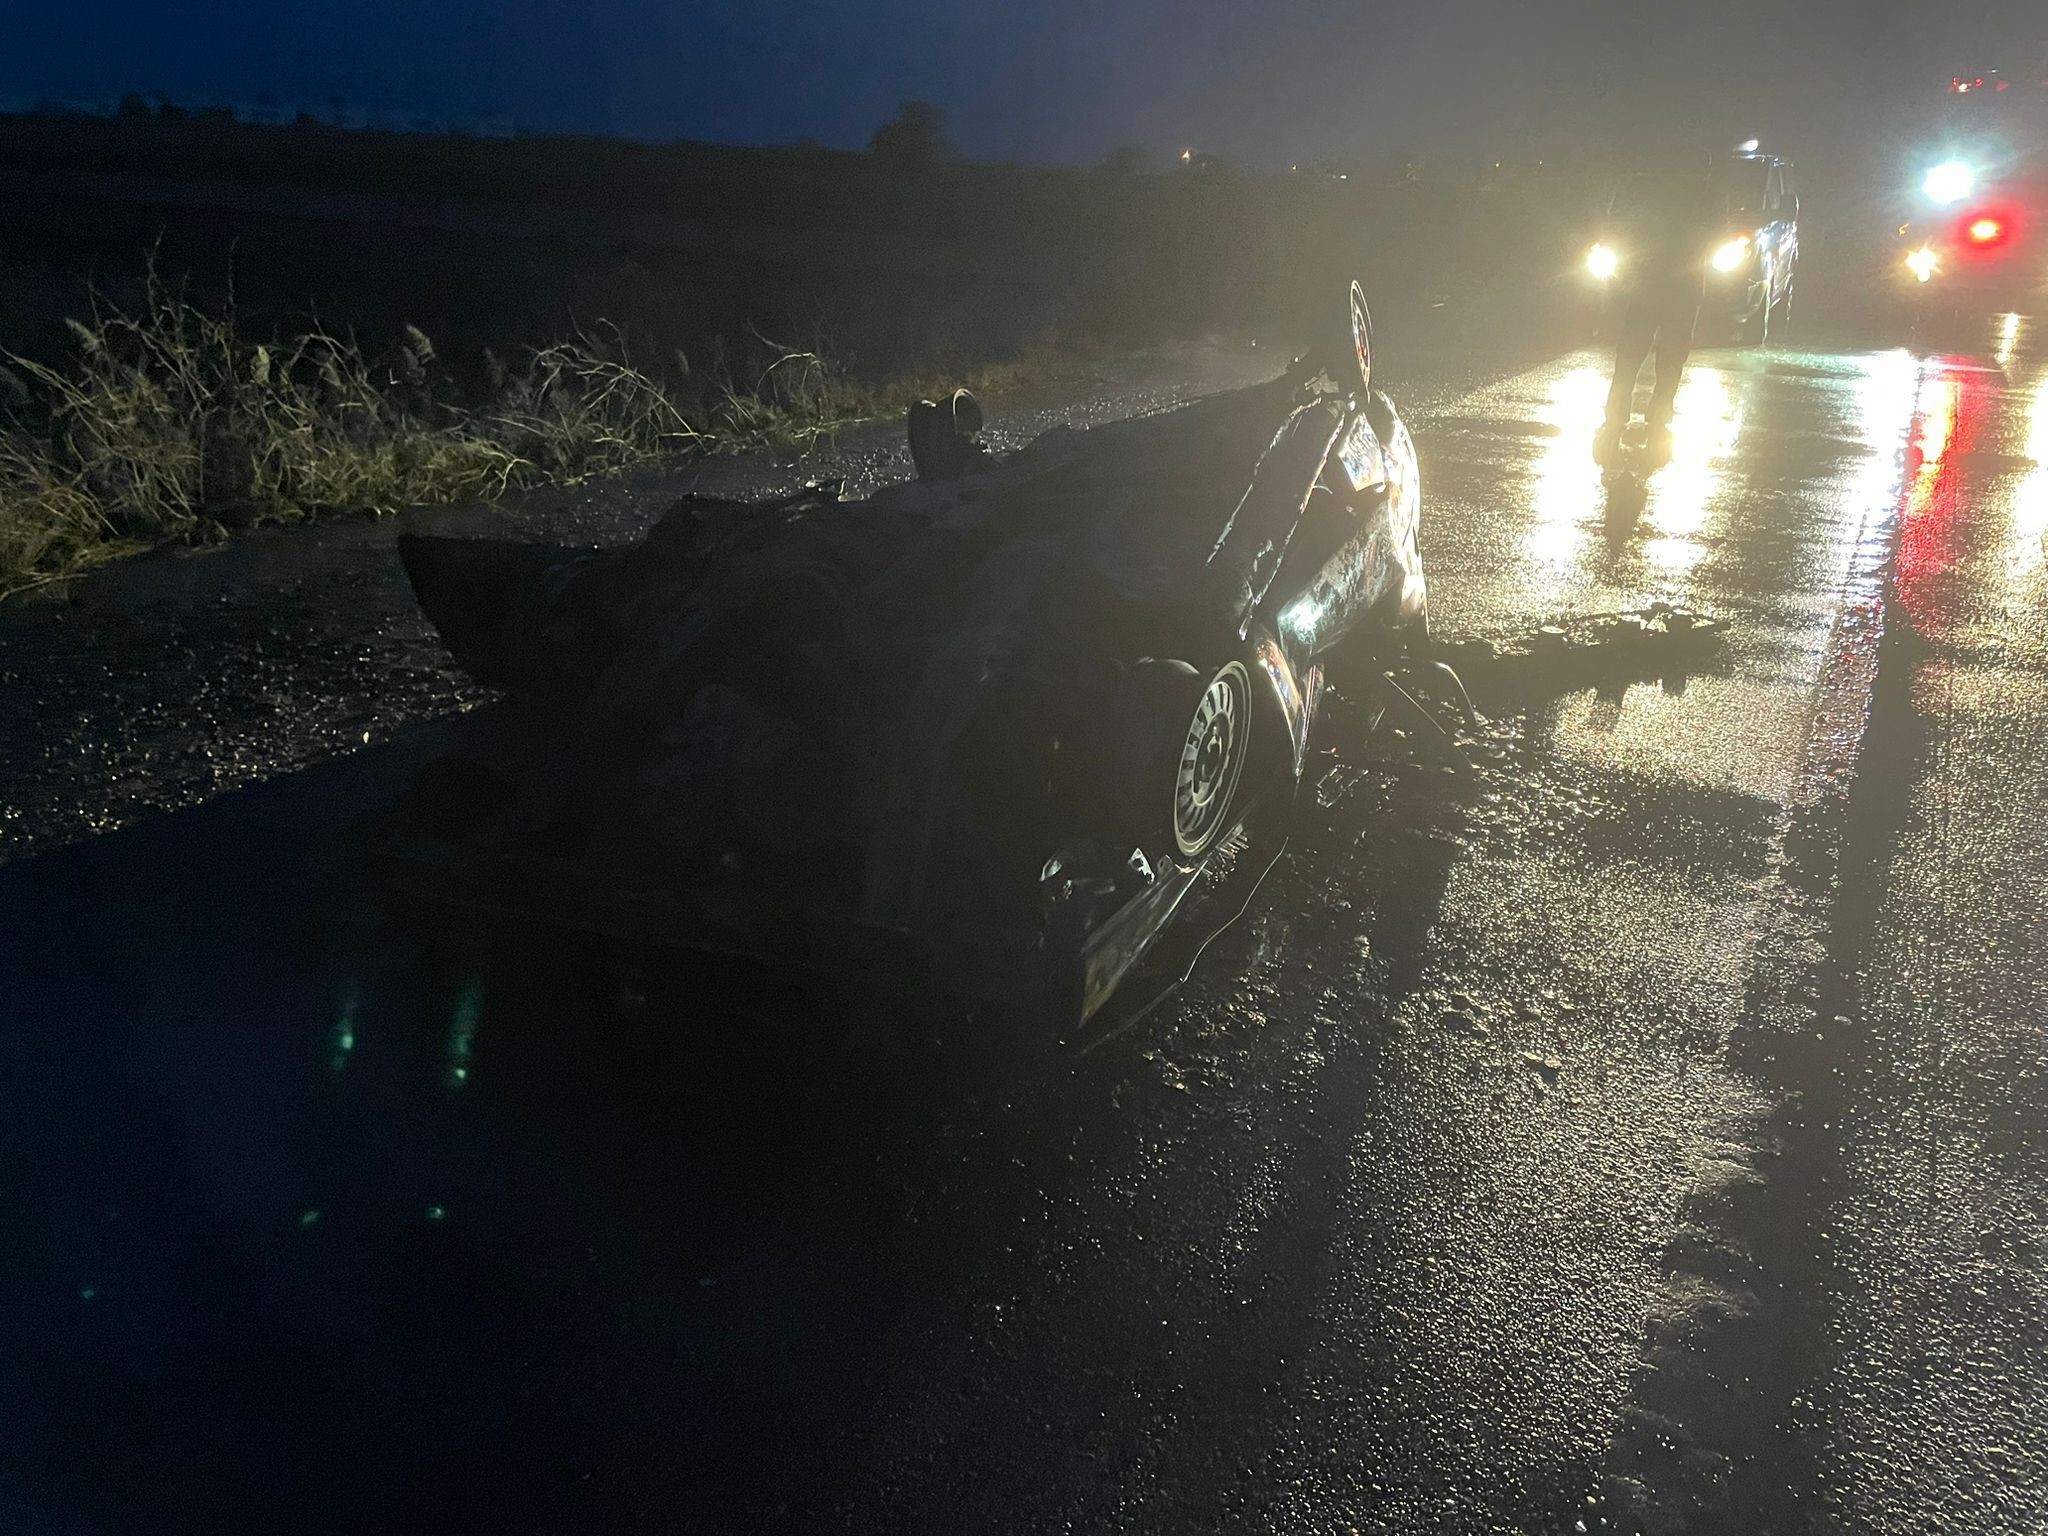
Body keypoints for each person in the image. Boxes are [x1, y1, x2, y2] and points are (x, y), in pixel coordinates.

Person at [1594, 170, 1720, 469]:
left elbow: (1621, 227)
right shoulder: (1700, 190)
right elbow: (1712, 236)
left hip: (1650, 286)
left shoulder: (1645, 183)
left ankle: (1619, 421)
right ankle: (1652, 422)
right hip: (1676, 288)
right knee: (1666, 362)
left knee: (1632, 359)